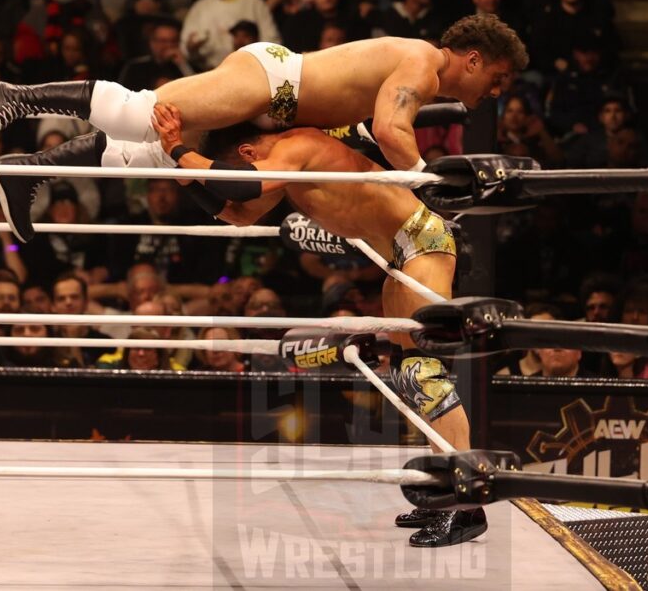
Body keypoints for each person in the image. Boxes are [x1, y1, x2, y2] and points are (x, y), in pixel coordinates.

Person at [148, 102, 486, 547]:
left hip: (422, 240)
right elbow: (239, 212)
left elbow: (247, 187)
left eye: (236, 166)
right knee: (407, 371)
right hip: (398, 253)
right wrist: (187, 175)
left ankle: (468, 505)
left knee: (424, 373)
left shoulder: (299, 146)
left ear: (248, 152)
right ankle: (445, 491)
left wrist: (177, 150)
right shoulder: (279, 166)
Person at [0, 14, 528, 241]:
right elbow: (390, 128)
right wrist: (427, 185)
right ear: (473, 59)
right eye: (497, 78)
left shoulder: (416, 64)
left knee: (157, 150)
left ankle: (28, 172)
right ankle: (10, 98)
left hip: (279, 106)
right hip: (274, 81)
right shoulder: (423, 64)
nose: (495, 93)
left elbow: (366, 123)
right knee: (148, 115)